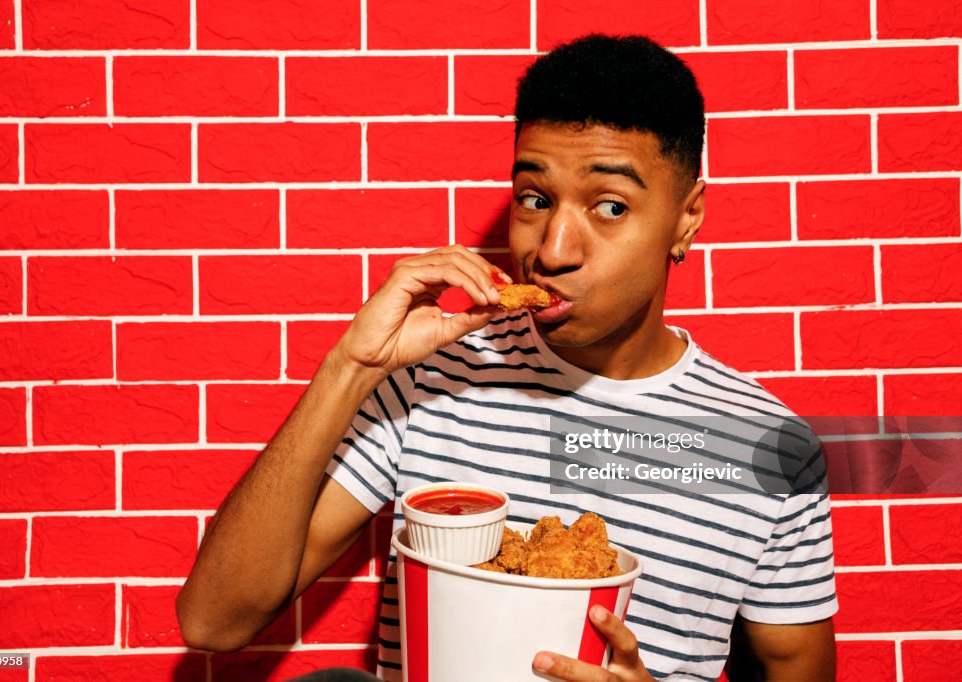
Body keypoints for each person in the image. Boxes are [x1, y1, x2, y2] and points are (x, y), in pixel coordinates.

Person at [176, 34, 838, 681]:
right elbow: (214, 621)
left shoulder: (767, 448)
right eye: (535, 198)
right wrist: (352, 365)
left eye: (610, 206)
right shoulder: (431, 380)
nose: (552, 248)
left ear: (686, 218)